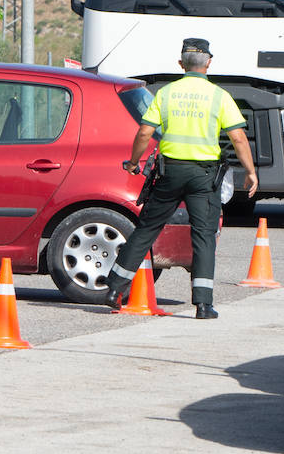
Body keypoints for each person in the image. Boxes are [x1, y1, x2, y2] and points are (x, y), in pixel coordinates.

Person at [103, 37, 257, 319]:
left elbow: (145, 133)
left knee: (147, 228)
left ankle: (114, 288)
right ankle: (203, 304)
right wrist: (250, 172)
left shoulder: (166, 94)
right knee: (203, 235)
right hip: (203, 176)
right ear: (208, 63)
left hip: (169, 172)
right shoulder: (218, 96)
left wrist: (134, 162)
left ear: (180, 64)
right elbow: (238, 137)